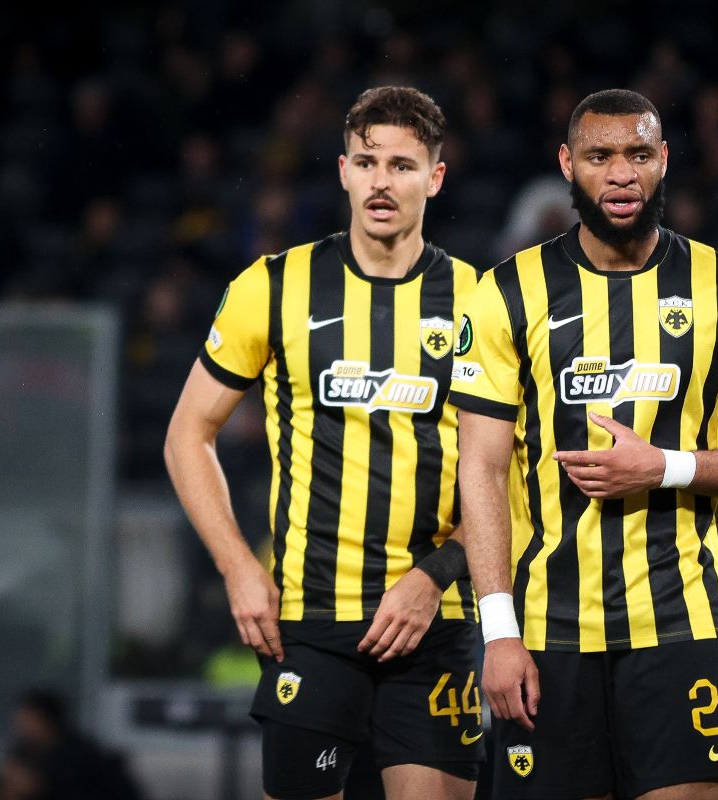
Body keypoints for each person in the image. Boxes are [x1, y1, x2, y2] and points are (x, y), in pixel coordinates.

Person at [450, 89, 718, 800]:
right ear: (567, 165)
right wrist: (498, 631)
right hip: (546, 631)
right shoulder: (506, 293)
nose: (620, 174)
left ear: (664, 160)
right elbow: (481, 471)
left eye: (639, 154)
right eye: (600, 156)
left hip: (678, 624)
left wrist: (663, 466)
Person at [164, 86, 484, 800]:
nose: (381, 181)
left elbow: (513, 474)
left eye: (402, 165)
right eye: (367, 163)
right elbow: (188, 434)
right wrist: (238, 567)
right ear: (343, 171)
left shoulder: (481, 303)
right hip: (308, 619)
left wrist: (435, 576)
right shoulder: (273, 287)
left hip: (434, 620)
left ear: (435, 178)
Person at [0, 688, 143, 800]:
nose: (19, 724)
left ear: (45, 720)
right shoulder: (23, 752)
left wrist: (39, 787)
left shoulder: (81, 754)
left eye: (27, 719)